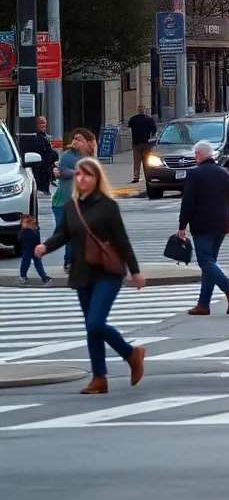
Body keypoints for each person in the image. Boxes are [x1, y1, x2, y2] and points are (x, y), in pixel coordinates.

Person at [36, 156, 146, 395]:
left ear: (97, 179)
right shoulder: (71, 206)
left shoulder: (108, 206)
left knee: (96, 322)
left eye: (87, 174)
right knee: (91, 327)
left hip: (108, 272)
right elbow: (62, 235)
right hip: (82, 273)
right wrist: (45, 247)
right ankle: (99, 378)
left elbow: (122, 240)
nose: (82, 178)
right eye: (78, 174)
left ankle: (131, 354)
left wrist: (135, 271)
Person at [177, 140, 229, 316]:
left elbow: (188, 202)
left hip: (202, 225)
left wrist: (182, 226)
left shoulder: (194, 175)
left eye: (195, 154)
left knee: (205, 261)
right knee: (209, 264)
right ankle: (203, 304)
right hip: (221, 225)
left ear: (199, 154)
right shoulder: (224, 173)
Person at [52, 128, 94, 275]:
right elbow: (62, 172)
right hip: (62, 202)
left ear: (87, 142)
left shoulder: (91, 159)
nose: (75, 141)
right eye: (74, 139)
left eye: (79, 139)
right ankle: (69, 261)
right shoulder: (68, 155)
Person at [17, 214, 49, 286]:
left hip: (27, 250)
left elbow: (20, 240)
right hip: (35, 249)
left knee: (25, 264)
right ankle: (44, 277)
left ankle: (23, 276)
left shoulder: (22, 233)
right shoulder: (34, 233)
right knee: (38, 264)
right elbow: (37, 240)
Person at [128, 104, 157, 183]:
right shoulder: (149, 120)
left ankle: (136, 177)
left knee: (137, 162)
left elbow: (130, 127)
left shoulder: (133, 119)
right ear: (145, 109)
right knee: (146, 161)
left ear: (138, 109)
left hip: (136, 143)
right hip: (146, 143)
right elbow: (154, 130)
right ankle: (147, 176)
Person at [31, 116, 57, 195]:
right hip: (39, 170)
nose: (43, 125)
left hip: (47, 169)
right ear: (36, 125)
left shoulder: (45, 136)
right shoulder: (34, 137)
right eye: (41, 123)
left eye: (44, 123)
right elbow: (42, 151)